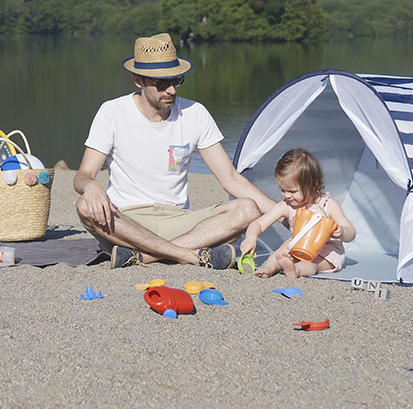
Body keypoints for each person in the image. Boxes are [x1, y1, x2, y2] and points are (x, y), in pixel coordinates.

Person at [74, 33, 275, 268]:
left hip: (178, 219)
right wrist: (91, 186)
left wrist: (287, 214)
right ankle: (189, 255)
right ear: (138, 80)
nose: (171, 90)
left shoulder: (195, 113)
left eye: (176, 81)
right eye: (161, 84)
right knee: (84, 206)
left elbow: (230, 179)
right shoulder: (112, 112)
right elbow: (82, 176)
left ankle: (147, 257)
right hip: (126, 222)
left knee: (247, 208)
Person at [242, 148, 356, 278]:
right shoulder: (286, 206)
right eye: (282, 189)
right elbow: (259, 223)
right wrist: (251, 238)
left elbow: (351, 233)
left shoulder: (328, 205)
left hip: (326, 251)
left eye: (292, 191)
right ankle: (268, 269)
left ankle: (295, 270)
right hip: (296, 245)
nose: (286, 195)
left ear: (313, 185)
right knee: (280, 252)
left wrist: (342, 231)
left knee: (313, 264)